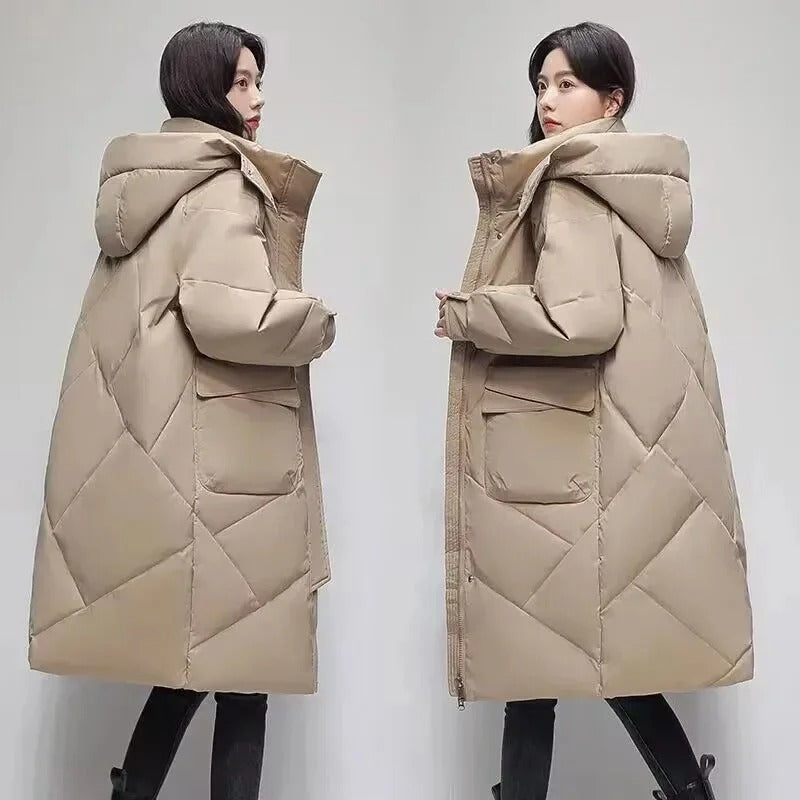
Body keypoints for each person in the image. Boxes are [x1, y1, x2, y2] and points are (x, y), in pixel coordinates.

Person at [435, 21, 752, 800]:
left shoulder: (571, 184)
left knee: (539, 668)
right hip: (622, 458)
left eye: (566, 84)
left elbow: (581, 319)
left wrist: (470, 313)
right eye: (541, 85)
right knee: (594, 664)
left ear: (612, 99)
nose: (547, 100)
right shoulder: (641, 188)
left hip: (568, 467)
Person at [27, 21, 336, 800]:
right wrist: (316, 322)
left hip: (174, 459)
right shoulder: (223, 184)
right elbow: (229, 316)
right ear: (204, 87)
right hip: (228, 469)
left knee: (201, 665)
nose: (257, 99)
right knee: (243, 673)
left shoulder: (143, 187)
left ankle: (132, 791)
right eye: (241, 82)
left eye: (258, 81)